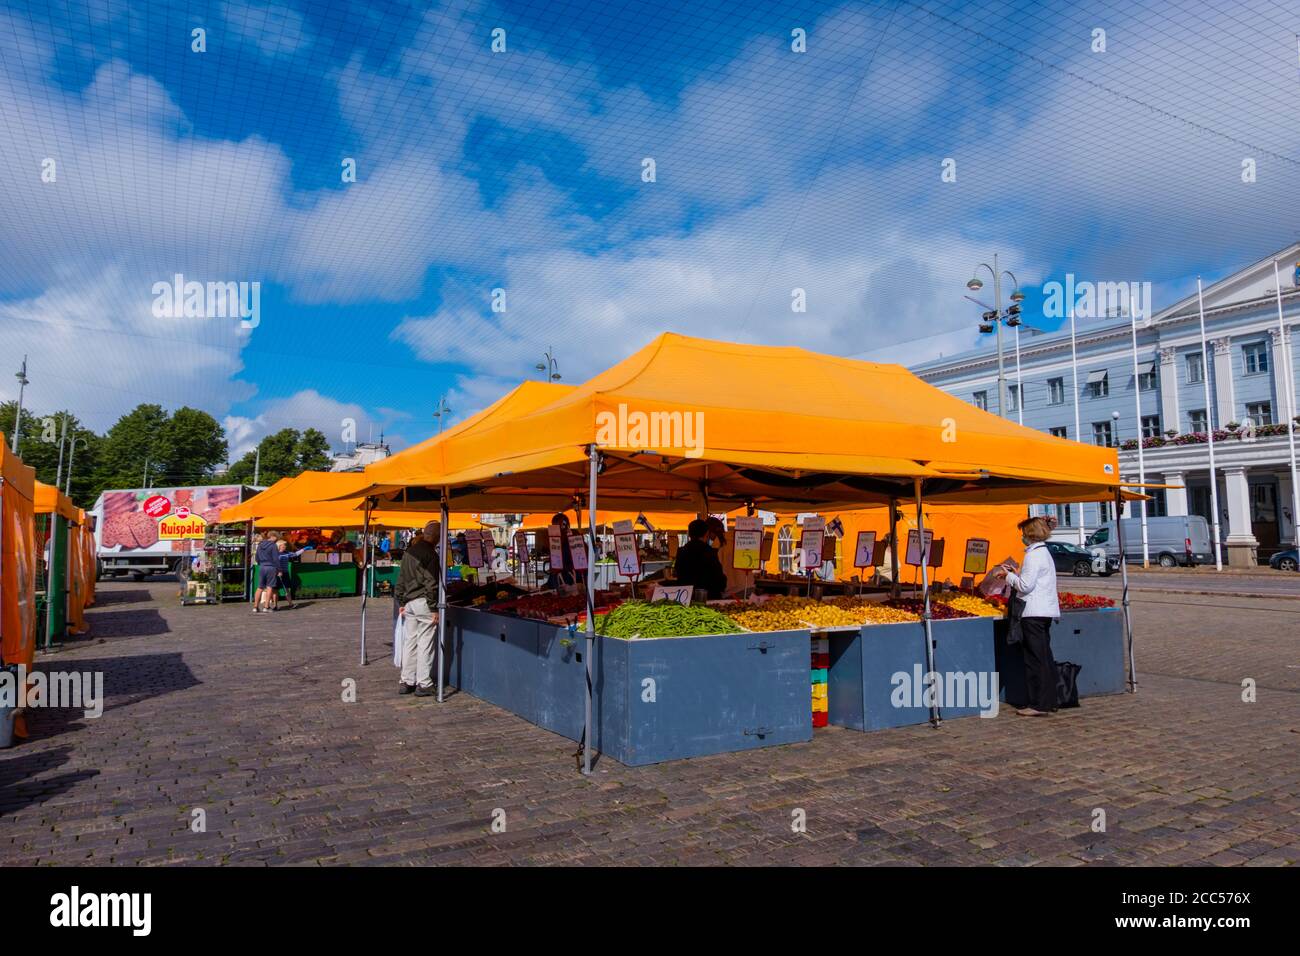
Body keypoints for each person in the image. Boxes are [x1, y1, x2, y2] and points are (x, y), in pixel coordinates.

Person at [995, 515, 1061, 716]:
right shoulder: (1043, 553)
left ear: (1029, 534)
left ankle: (1038, 703)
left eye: (1023, 533)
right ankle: (1049, 699)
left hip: (1033, 612)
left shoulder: (1034, 555)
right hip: (1045, 610)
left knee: (1035, 659)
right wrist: (1017, 572)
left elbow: (1025, 586)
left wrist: (1007, 576)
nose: (1022, 537)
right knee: (1044, 657)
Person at [394, 520, 442, 697]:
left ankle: (406, 681)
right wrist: (434, 608)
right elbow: (432, 583)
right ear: (437, 537)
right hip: (423, 602)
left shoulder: (410, 551)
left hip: (409, 602)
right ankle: (424, 683)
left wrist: (400, 601)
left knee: (410, 642)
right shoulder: (431, 555)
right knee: (425, 644)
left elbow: (401, 578)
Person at [673, 518, 728, 599]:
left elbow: (678, 574)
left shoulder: (681, 551)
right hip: (709, 597)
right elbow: (719, 578)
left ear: (689, 534)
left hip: (687, 597)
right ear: (706, 533)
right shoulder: (710, 552)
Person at [273, 538, 306, 609]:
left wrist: (304, 549)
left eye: (285, 545)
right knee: (275, 590)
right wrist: (277, 571)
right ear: (279, 546)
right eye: (283, 545)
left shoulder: (287, 553)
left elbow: (295, 554)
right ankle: (275, 605)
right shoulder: (275, 554)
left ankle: (290, 604)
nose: (285, 546)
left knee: (287, 589)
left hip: (285, 573)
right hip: (276, 574)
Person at [253, 530, 280, 613]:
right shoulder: (273, 545)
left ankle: (255, 607)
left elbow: (257, 557)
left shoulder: (260, 545)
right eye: (276, 538)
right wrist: (279, 569)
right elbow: (276, 559)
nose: (276, 540)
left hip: (262, 567)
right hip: (271, 567)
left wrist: (261, 563)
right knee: (269, 587)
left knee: (260, 587)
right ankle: (266, 606)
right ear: (273, 537)